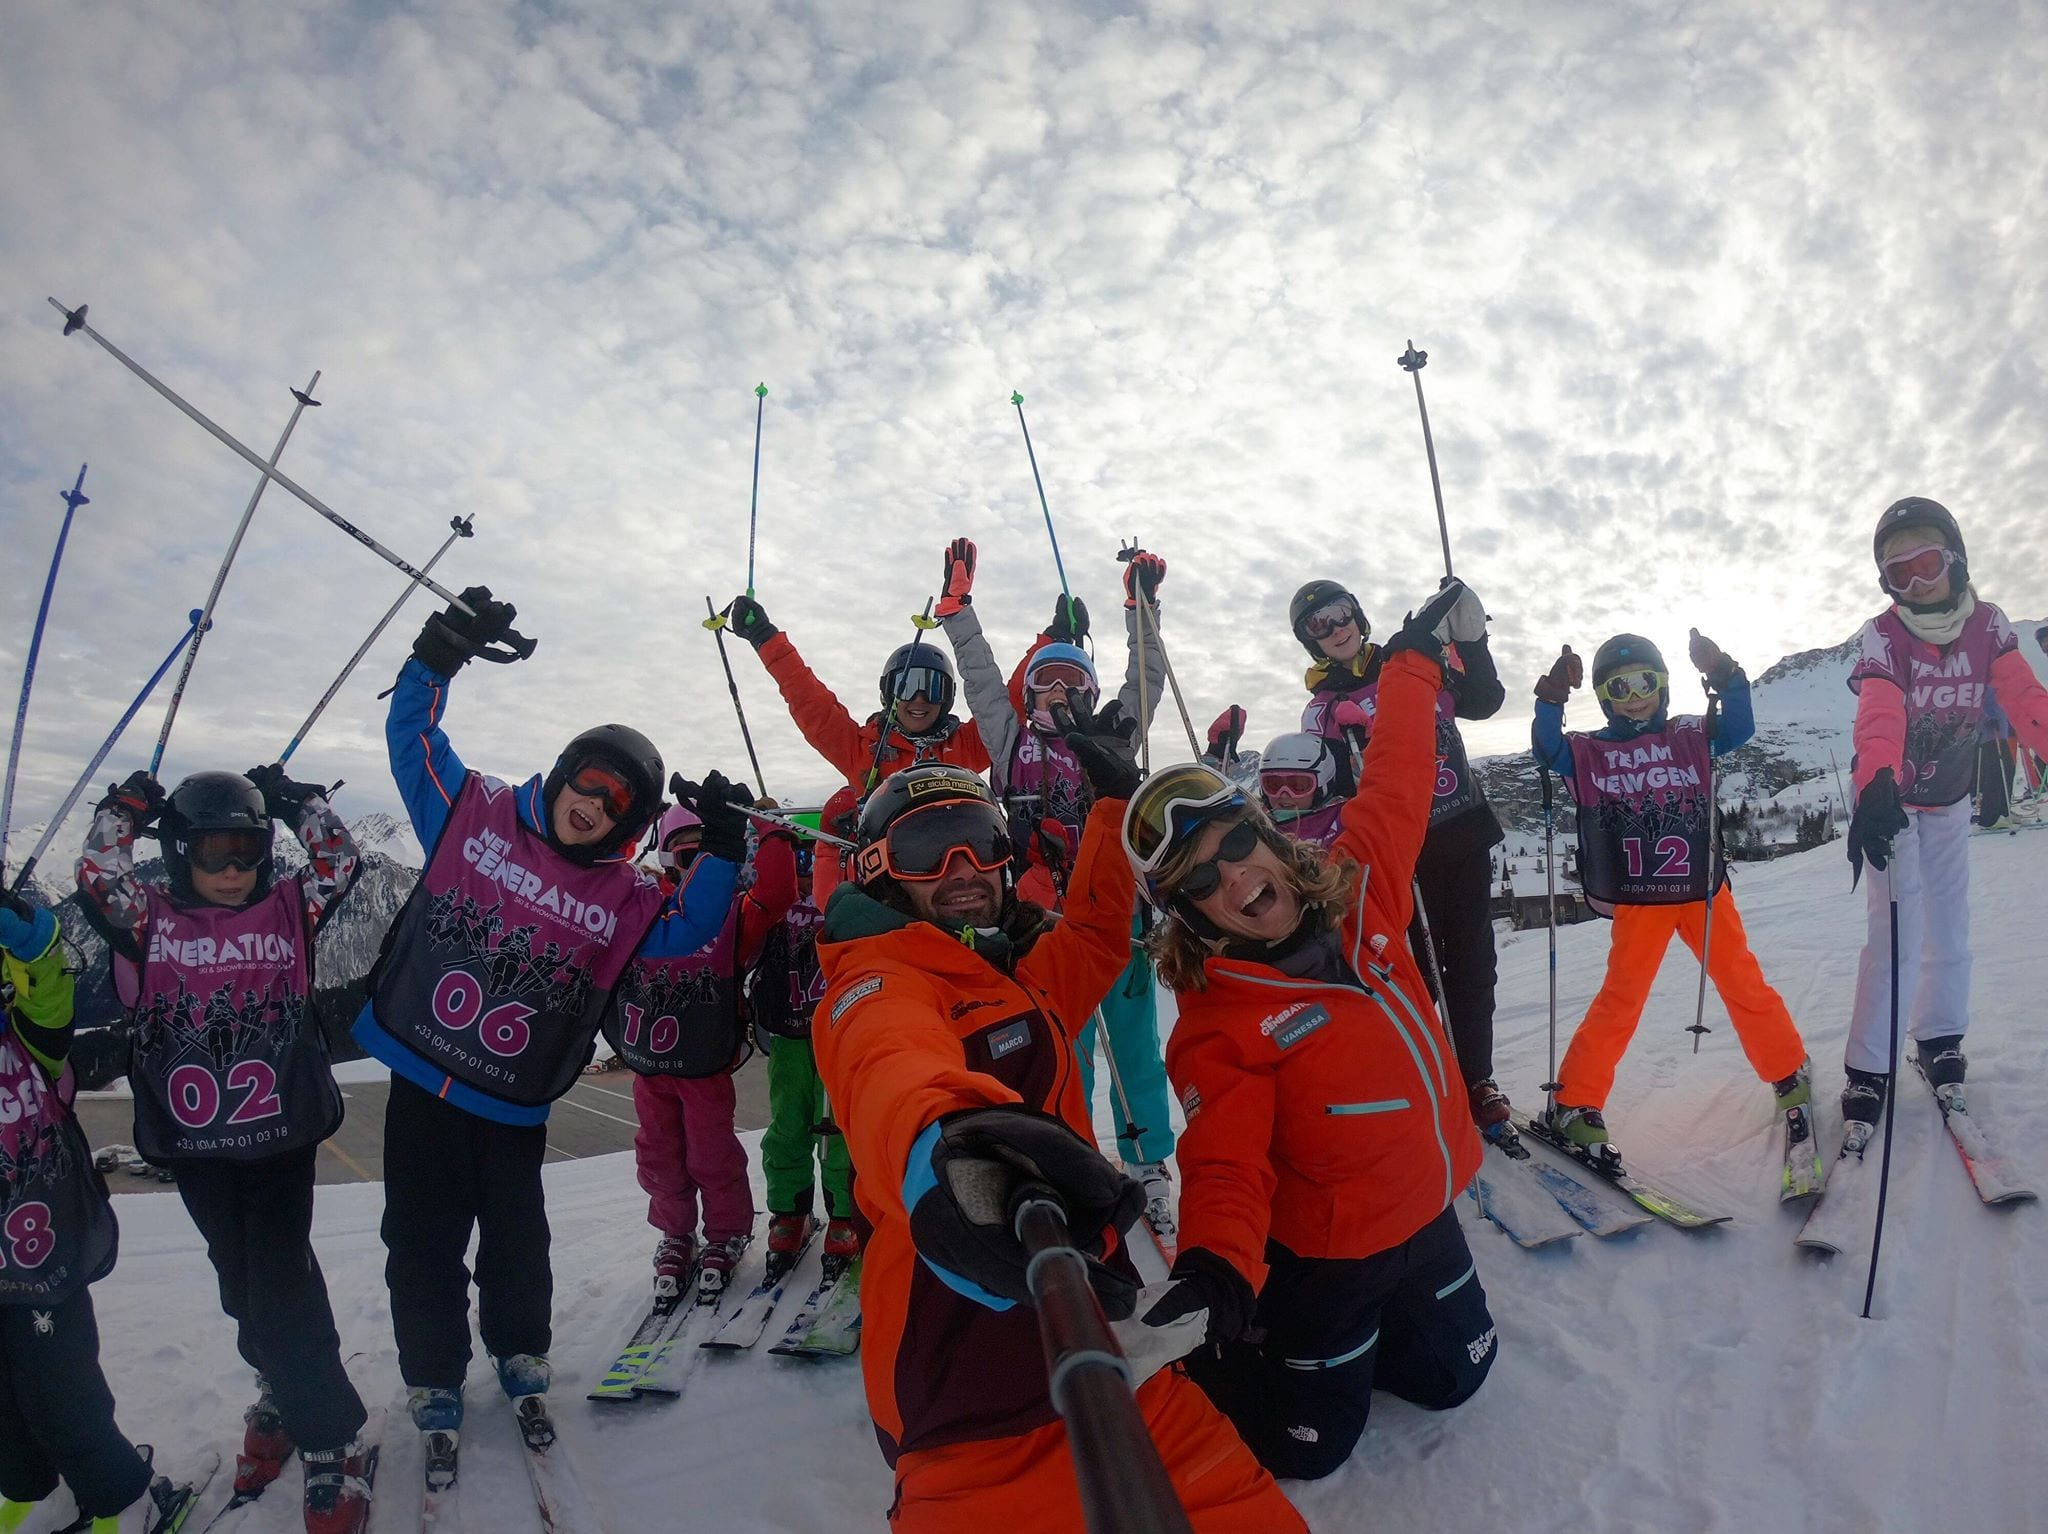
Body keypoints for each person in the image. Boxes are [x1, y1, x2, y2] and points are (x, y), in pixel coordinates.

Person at [812, 735, 1303, 1531]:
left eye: (981, 840)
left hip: (1108, 1342)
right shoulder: (875, 981)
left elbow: (1103, 934)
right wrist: (945, 1141)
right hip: (964, 1394)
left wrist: (1111, 806)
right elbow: (887, 1067)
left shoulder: (1019, 971)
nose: (963, 867)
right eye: (927, 849)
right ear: (878, 869)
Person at [351, 586, 742, 1458]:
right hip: (421, 1072)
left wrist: (721, 851)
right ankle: (433, 1369)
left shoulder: (628, 895)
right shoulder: (476, 813)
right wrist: (437, 657)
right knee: (419, 1240)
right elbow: (413, 746)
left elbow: (689, 933)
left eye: (618, 803)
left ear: (633, 825)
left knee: (517, 1241)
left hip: (513, 1103)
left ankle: (520, 1348)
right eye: (587, 781)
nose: (592, 804)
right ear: (564, 771)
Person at [1128, 582, 1496, 1482]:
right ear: (1189, 919)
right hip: (1330, 1255)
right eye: (1200, 882)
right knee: (1310, 1450)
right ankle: (1237, 1342)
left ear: (1266, 836)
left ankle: (1374, 1337)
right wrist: (1213, 1264)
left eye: (1233, 845)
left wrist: (1411, 660)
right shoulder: (1221, 1026)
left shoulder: (1361, 882)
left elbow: (1401, 769)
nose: (1232, 878)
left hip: (1429, 1215)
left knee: (1460, 1377)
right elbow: (1225, 1161)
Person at [75, 765, 374, 1531]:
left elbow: (340, 862)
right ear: (179, 856)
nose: (235, 869)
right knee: (241, 1285)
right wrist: (124, 811)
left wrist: (299, 805)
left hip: (278, 1138)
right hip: (197, 1146)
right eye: (214, 854)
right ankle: (281, 1385)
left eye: (248, 851)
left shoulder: (287, 910)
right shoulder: (152, 921)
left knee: (279, 1286)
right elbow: (98, 873)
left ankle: (326, 1436)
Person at [934, 539, 1179, 1244]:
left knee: (1134, 1046)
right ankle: (1065, 1156)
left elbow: (1147, 678)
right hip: (1039, 926)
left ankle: (1149, 1163)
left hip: (1115, 922)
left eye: (1074, 681)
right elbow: (981, 681)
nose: (1061, 692)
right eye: (1048, 682)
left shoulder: (1113, 737)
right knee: (1056, 1049)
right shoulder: (1008, 741)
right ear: (1031, 693)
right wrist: (959, 614)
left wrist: (1142, 609)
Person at [1530, 630, 1811, 1156]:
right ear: (1604, 696)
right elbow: (1547, 749)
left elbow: (1741, 725)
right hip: (1640, 899)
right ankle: (1575, 1101)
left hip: (1702, 892)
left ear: (1663, 685)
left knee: (1741, 981)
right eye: (1619, 685)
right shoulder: (1589, 751)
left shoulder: (1690, 733)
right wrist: (1550, 700)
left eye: (1645, 681)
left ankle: (1788, 1068)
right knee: (1622, 999)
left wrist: (1725, 675)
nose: (1634, 694)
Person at [1839, 498, 2048, 1139]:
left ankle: (1939, 1038)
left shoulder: (1988, 624)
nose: (1918, 582)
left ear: (1955, 558)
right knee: (1897, 931)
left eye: (1926, 562)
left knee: (1951, 925)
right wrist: (1875, 781)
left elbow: (2022, 696)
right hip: (1892, 799)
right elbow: (1879, 712)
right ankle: (1867, 1068)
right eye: (1899, 574)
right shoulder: (1884, 634)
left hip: (1952, 796)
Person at [0, 888, 194, 1534]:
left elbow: (50, 994)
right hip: (28, 1256)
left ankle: (78, 1496)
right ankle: (77, 1496)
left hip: (38, 1252)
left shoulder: (28, 1041)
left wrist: (29, 942)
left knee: (38, 1394)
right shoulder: (26, 1042)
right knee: (33, 1394)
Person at [1289, 574, 1511, 1129]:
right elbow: (1330, 795)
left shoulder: (1407, 659)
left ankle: (1476, 1076)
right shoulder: (1321, 711)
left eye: (1341, 614)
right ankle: (1428, 1073)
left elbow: (1485, 699)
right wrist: (1345, 750)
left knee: (1472, 962)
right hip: (1398, 857)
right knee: (1416, 973)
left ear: (1358, 614)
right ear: (1309, 640)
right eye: (1319, 624)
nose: (1335, 629)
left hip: (1459, 828)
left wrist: (1472, 640)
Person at [605, 797, 797, 1305]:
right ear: (669, 863)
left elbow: (776, 895)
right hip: (650, 1067)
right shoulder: (640, 907)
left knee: (713, 1157)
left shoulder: (733, 915)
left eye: (712, 859)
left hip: (704, 1066)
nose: (698, 873)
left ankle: (727, 1232)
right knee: (661, 1157)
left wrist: (771, 832)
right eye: (689, 859)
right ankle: (676, 1233)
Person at [721, 590, 992, 894]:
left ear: (948, 698)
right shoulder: (862, 751)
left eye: (933, 687)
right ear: (888, 694)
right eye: (906, 686)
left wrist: (1053, 643)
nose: (919, 698)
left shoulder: (966, 747)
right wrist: (765, 637)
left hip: (952, 881)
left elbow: (1006, 710)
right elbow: (809, 700)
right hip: (885, 888)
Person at [744, 838, 859, 1280]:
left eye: (814, 865)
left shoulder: (842, 898)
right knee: (787, 1124)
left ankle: (845, 1212)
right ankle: (789, 1210)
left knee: (836, 1128)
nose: (808, 878)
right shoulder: (773, 900)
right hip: (788, 1032)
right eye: (801, 866)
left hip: (833, 1032)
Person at [1256, 731, 1348, 848]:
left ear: (1322, 786)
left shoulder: (1344, 820)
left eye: (1298, 786)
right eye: (1273, 784)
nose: (1284, 794)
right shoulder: (1256, 826)